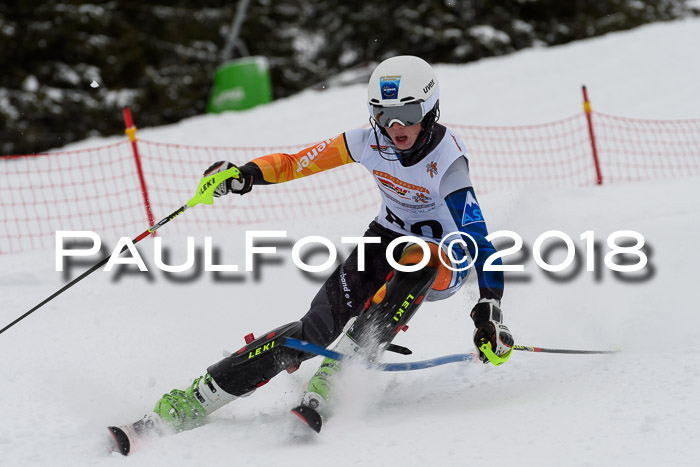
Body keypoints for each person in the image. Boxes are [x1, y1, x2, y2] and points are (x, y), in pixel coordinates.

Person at [110, 55, 513, 449]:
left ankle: (335, 376)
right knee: (312, 330)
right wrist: (244, 174)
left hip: (444, 256)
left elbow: (480, 240)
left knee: (420, 257)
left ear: (429, 108)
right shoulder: (367, 141)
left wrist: (489, 307)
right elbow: (293, 164)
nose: (396, 126)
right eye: (384, 113)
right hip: (385, 239)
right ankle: (190, 402)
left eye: (407, 112)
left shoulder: (447, 159)